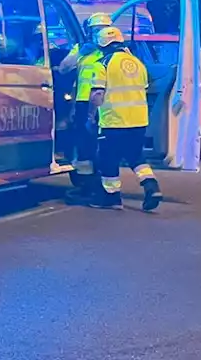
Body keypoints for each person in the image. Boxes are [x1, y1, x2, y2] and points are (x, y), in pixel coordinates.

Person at [87, 26, 162, 212]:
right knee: (135, 156)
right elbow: (145, 88)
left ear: (101, 44)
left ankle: (111, 198)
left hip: (113, 121)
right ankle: (151, 185)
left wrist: (90, 114)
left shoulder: (102, 63)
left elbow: (97, 93)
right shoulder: (137, 63)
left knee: (107, 158)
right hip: (138, 120)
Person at [65, 13, 113, 202]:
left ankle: (103, 186)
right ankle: (85, 185)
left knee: (102, 146)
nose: (98, 33)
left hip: (104, 104)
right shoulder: (81, 49)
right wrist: (80, 53)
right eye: (95, 30)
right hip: (83, 104)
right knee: (84, 146)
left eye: (101, 29)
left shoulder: (113, 51)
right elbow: (64, 68)